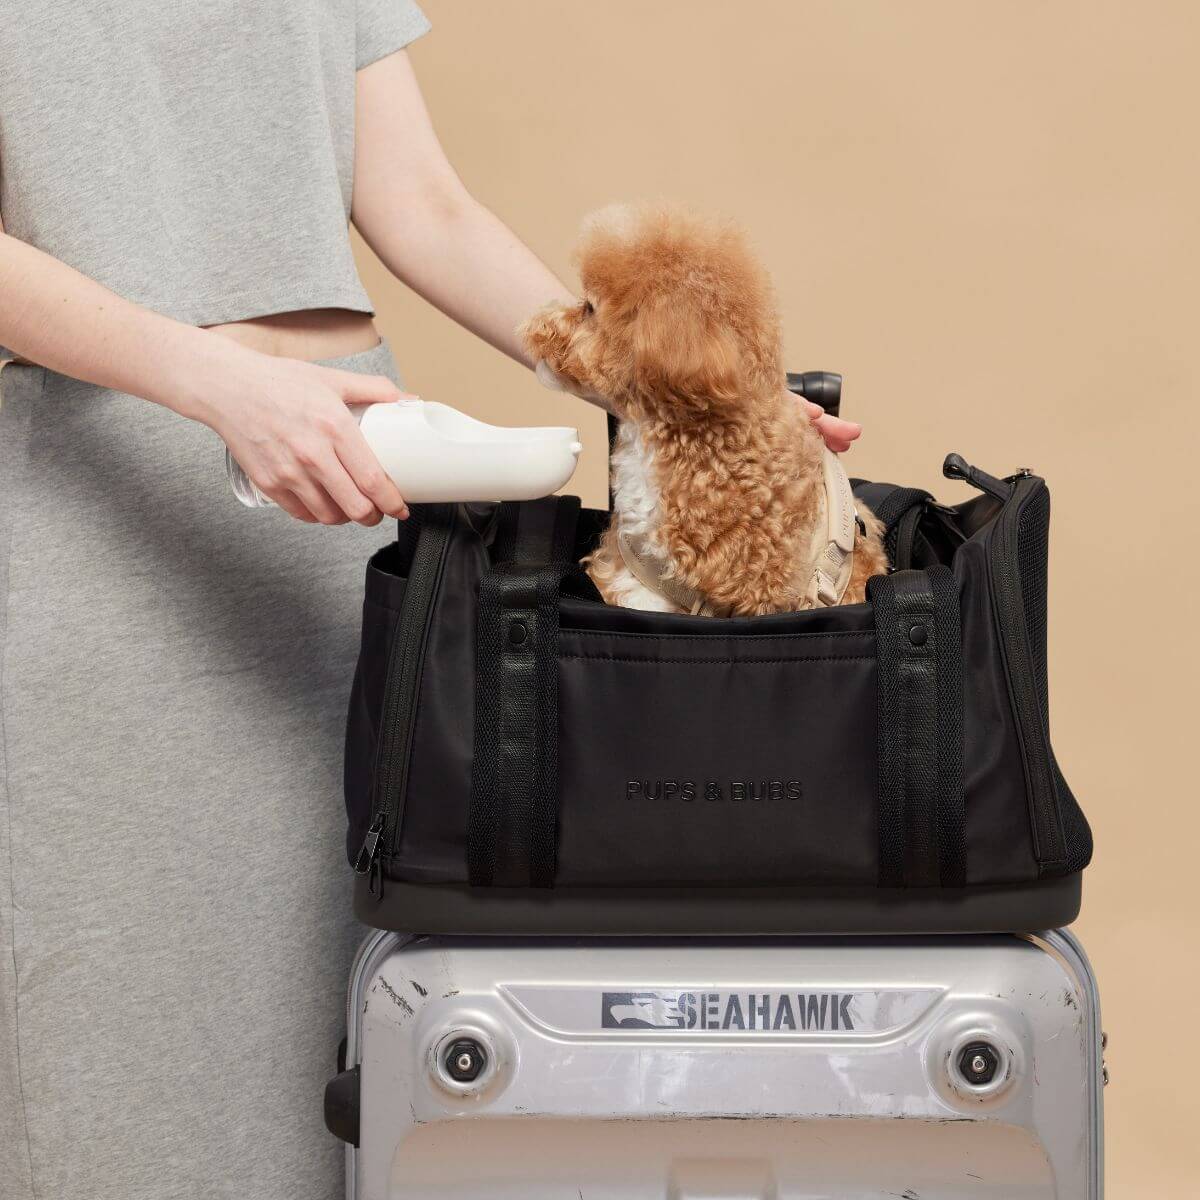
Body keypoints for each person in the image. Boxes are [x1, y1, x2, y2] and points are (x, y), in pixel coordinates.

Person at [0, 4, 861, 1197]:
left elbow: (423, 206)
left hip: (352, 504)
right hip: (105, 522)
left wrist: (667, 397)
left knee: (396, 1049)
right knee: (131, 1063)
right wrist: (220, 385)